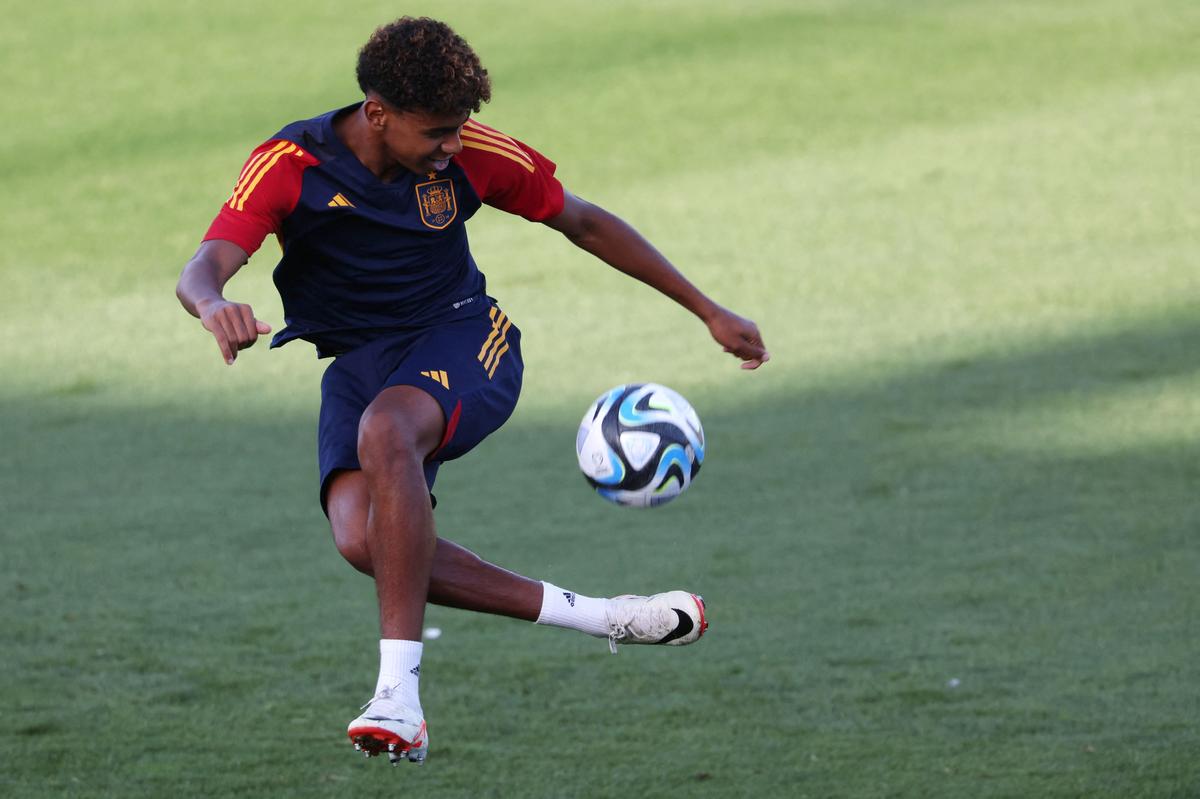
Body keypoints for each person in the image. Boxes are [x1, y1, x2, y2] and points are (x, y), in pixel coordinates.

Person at [176, 16, 768, 766]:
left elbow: (584, 222)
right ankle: (605, 617)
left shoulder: (473, 154)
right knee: (363, 541)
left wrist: (707, 309)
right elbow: (203, 266)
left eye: (459, 127)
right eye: (437, 131)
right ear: (378, 114)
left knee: (388, 431)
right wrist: (212, 304)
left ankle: (398, 696)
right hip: (359, 365)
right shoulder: (291, 164)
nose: (454, 145)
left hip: (464, 336)